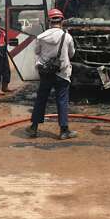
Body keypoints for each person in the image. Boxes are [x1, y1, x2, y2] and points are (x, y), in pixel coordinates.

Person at [25, 8, 78, 140]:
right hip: (62, 73)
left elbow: (37, 52)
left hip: (45, 73)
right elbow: (72, 54)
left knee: (41, 99)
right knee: (62, 100)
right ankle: (64, 131)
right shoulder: (67, 37)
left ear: (49, 22)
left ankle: (34, 128)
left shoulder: (41, 37)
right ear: (62, 21)